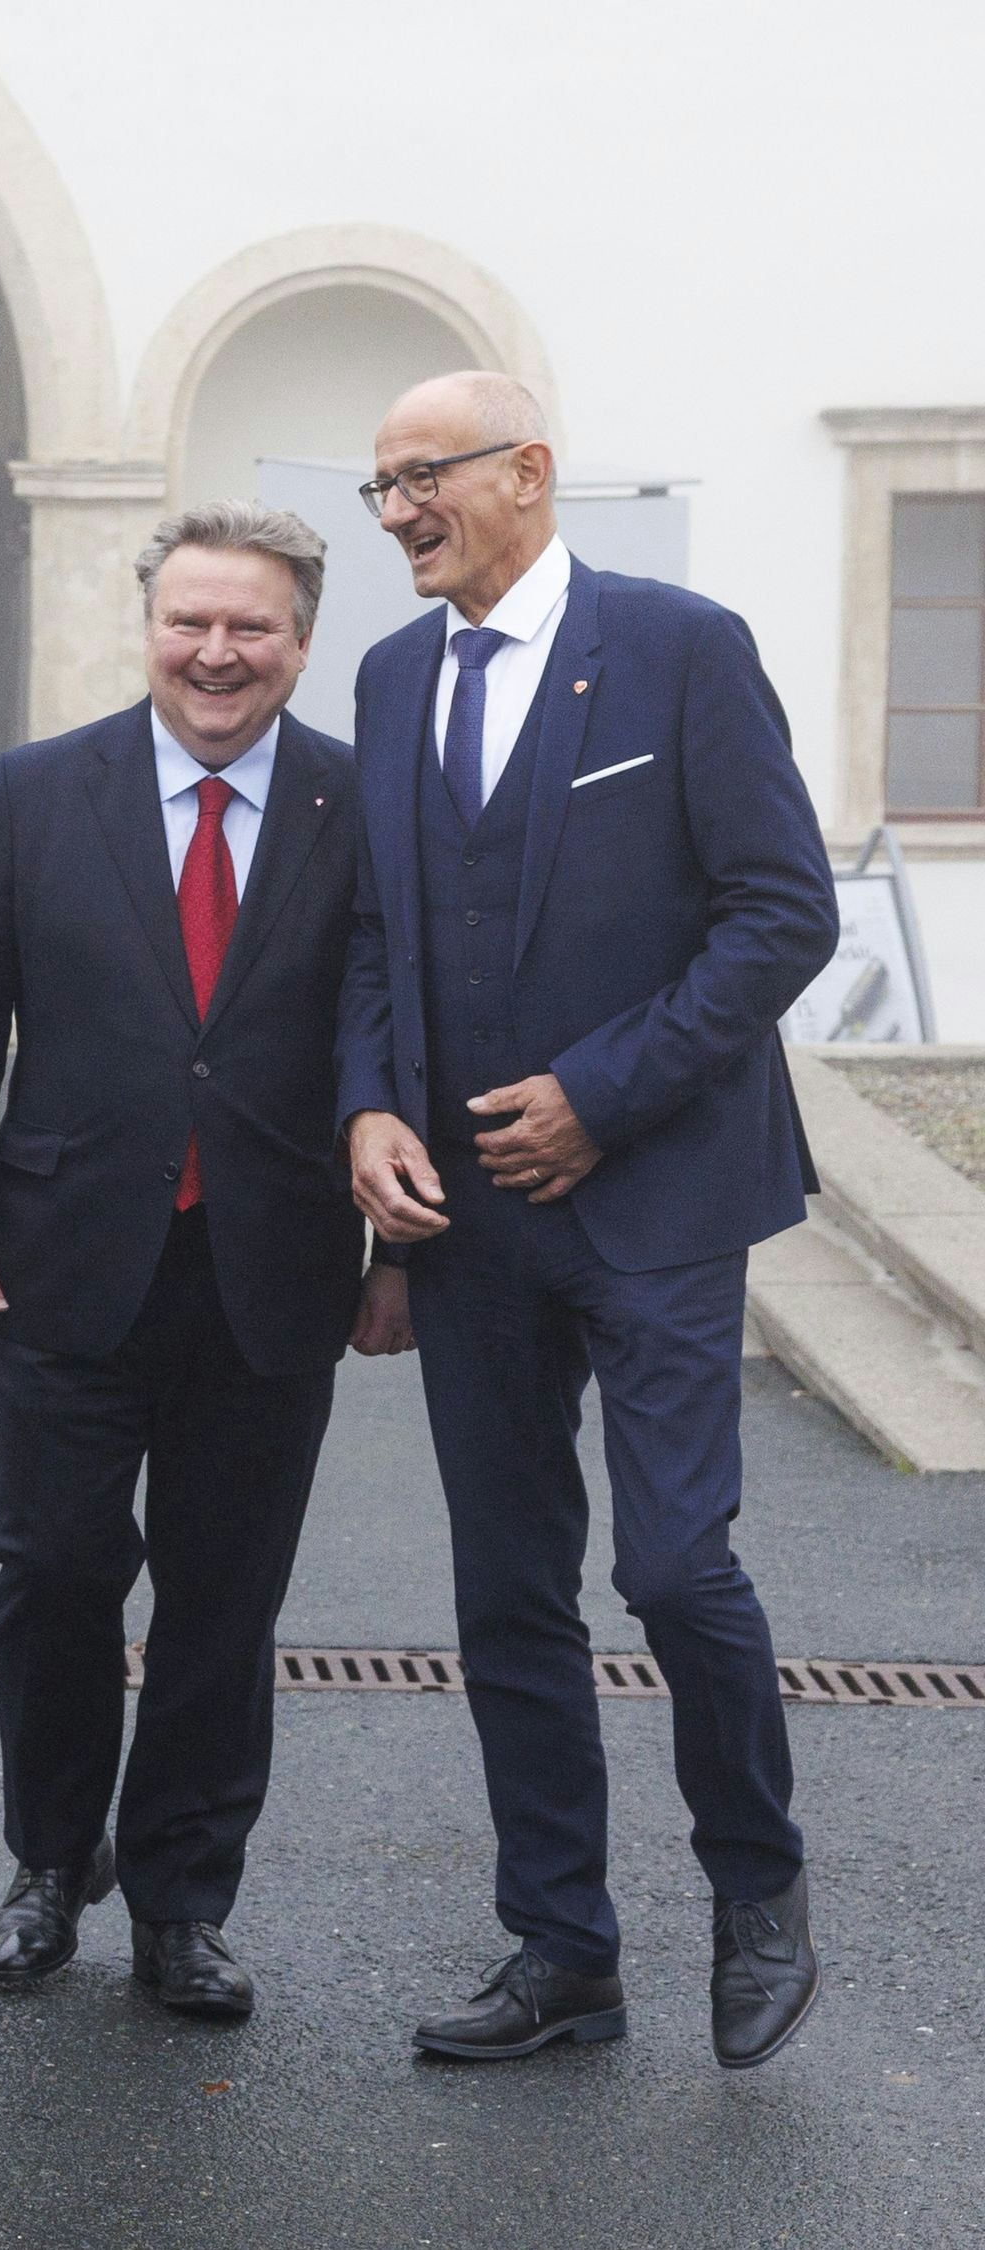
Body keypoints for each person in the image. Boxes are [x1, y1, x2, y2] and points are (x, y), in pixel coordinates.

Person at [337, 372, 834, 2070]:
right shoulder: (394, 676)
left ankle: (758, 1881)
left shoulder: (684, 647)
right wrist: (371, 1111)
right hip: (467, 1223)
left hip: (662, 1197)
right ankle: (563, 1946)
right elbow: (374, 943)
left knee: (676, 1562)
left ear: (530, 473)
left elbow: (782, 914)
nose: (399, 511)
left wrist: (600, 1097)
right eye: (380, 486)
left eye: (427, 477)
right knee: (508, 1589)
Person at [0, 503, 400, 2021]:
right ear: (148, 629)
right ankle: (52, 1861)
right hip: (60, 1257)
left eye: (250, 627)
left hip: (272, 1265)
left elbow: (391, 1035)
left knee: (225, 1596)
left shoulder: (358, 803)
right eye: (189, 622)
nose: (216, 652)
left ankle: (186, 1900)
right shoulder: (37, 792)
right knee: (54, 1569)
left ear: (300, 643)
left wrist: (397, 1246)